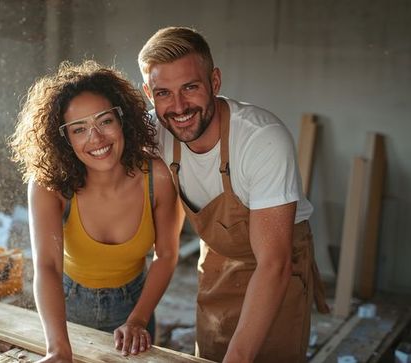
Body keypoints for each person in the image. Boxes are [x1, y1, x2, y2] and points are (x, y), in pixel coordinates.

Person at [138, 27, 330, 363]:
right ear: (148, 94)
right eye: (163, 93)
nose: (178, 106)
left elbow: (274, 263)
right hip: (216, 261)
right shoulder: (152, 129)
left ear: (214, 82)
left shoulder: (262, 139)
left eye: (190, 87)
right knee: (210, 353)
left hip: (278, 265)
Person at [9, 60, 183, 362]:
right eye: (79, 129)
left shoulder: (158, 177)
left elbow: (166, 255)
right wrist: (58, 349)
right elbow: (48, 266)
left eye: (104, 121)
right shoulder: (49, 185)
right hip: (67, 309)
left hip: (137, 305)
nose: (97, 139)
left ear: (122, 118)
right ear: (63, 139)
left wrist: (138, 320)